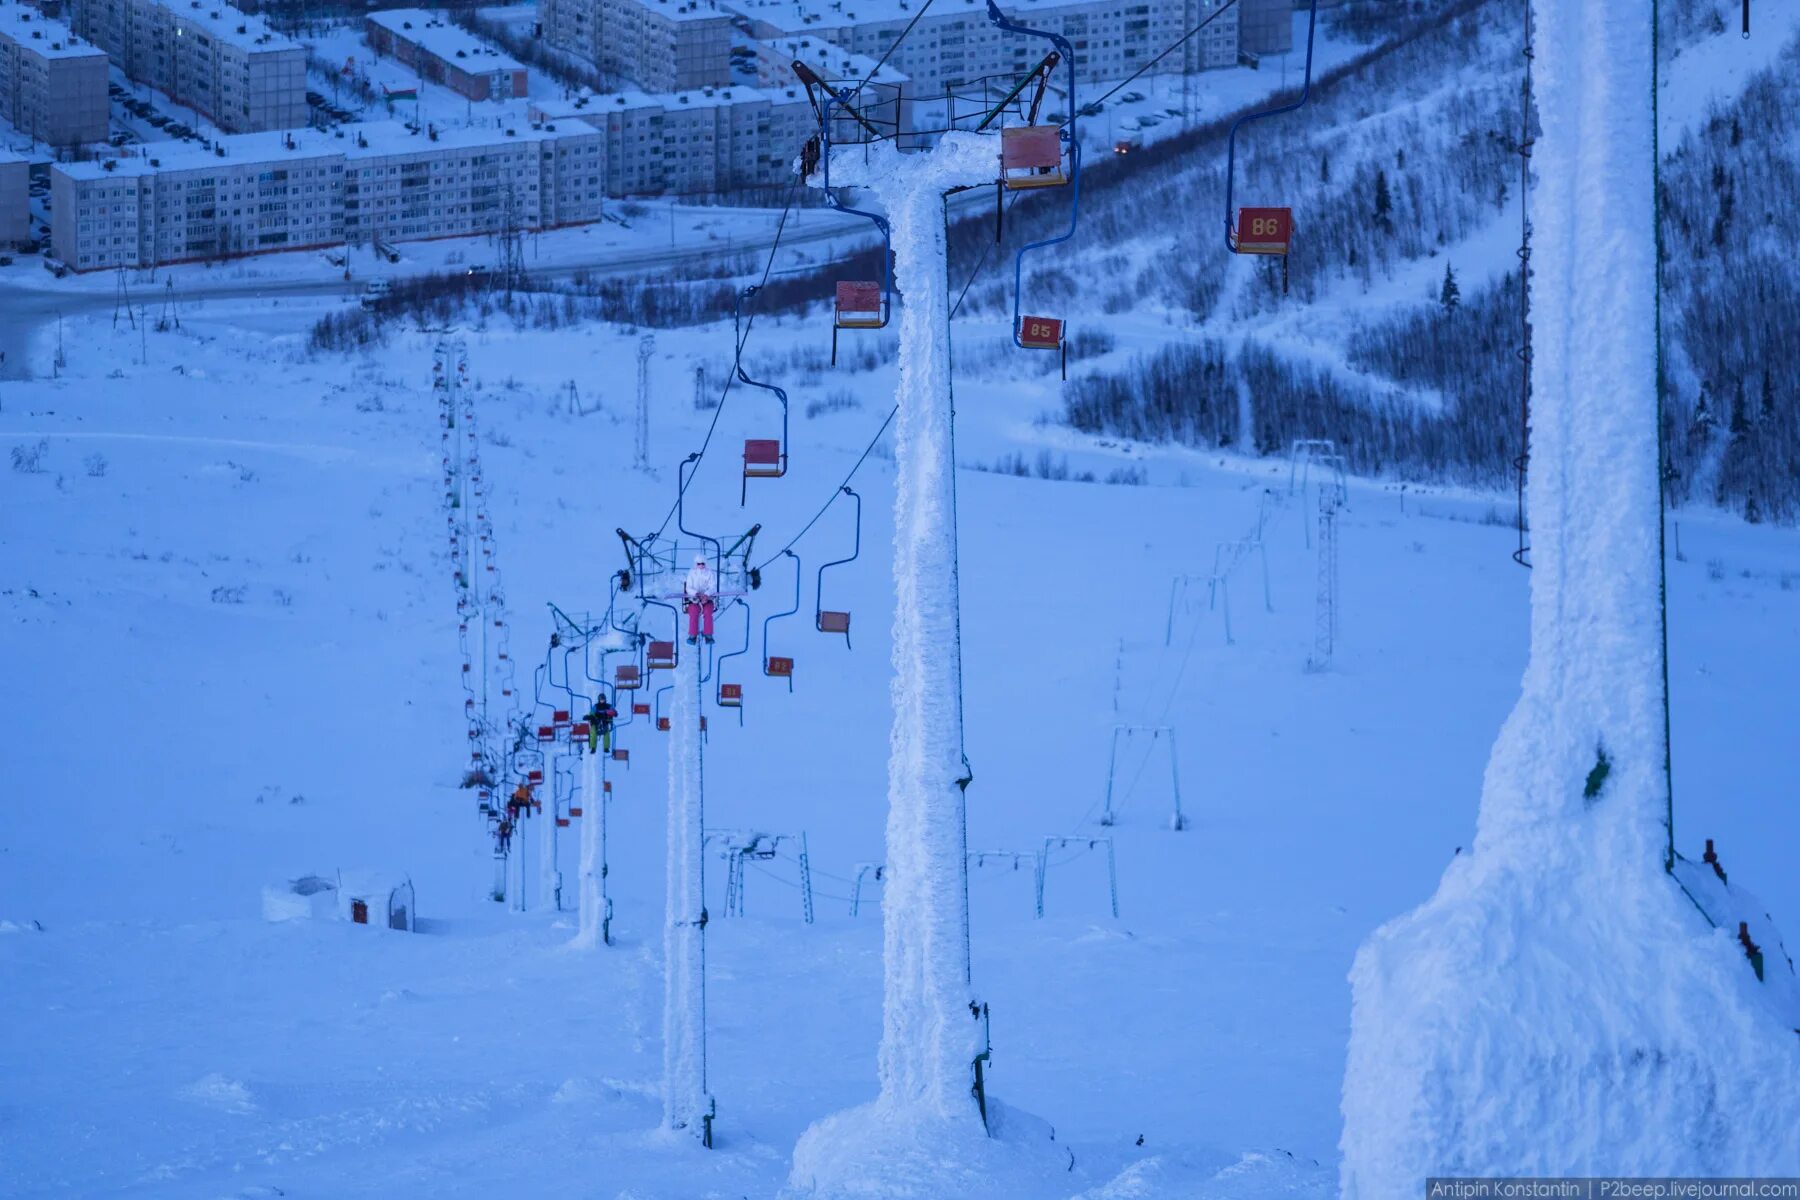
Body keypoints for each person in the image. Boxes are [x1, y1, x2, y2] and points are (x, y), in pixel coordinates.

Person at [683, 554, 717, 645]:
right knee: (693, 612)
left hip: (707, 599)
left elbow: (713, 586)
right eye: (699, 564)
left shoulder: (709, 573)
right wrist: (696, 594)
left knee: (708, 612)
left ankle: (708, 635)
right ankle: (692, 636)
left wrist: (706, 595)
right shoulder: (692, 573)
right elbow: (688, 587)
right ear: (696, 564)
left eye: (703, 563)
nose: (701, 566)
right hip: (694, 600)